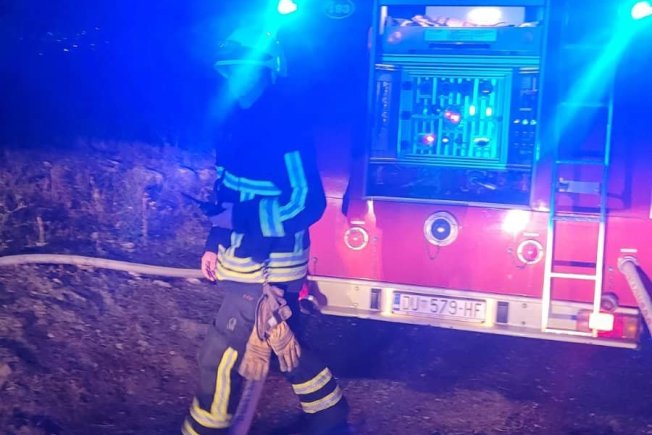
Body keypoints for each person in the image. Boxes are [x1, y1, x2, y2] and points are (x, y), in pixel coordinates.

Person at [181, 24, 350, 435]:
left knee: (220, 355)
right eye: (229, 70)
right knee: (284, 343)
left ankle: (205, 429)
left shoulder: (286, 126)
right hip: (239, 258)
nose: (235, 78)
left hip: (271, 266)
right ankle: (330, 415)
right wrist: (214, 241)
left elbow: (307, 202)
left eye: (244, 69)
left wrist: (238, 221)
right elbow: (226, 192)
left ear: (265, 71)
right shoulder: (232, 124)